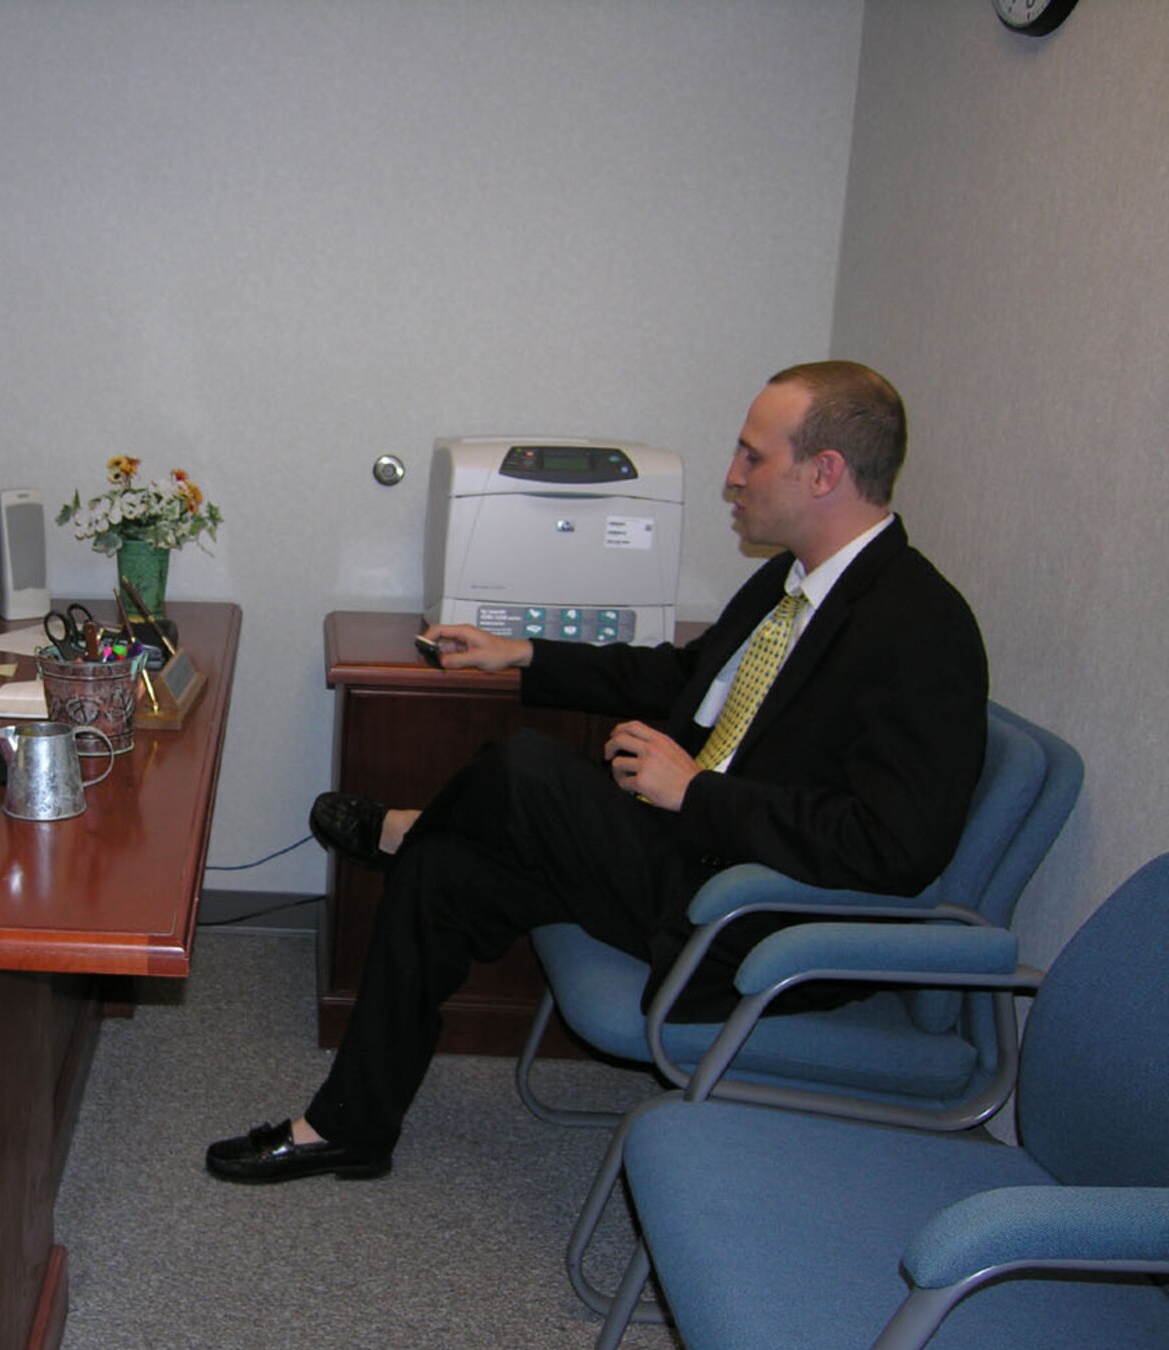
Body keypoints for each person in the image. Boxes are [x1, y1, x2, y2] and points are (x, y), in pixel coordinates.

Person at [207, 360, 988, 1184]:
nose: (732, 478)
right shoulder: (788, 583)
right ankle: (348, 1123)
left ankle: (405, 828)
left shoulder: (920, 626)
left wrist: (698, 793)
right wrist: (524, 653)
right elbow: (680, 680)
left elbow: (896, 847)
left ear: (824, 471)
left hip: (748, 920)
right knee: (448, 869)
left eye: (753, 457)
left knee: (526, 768)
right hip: (676, 856)